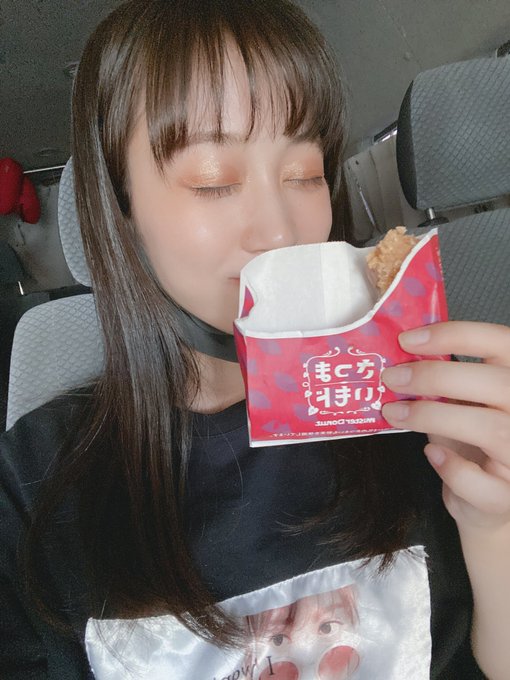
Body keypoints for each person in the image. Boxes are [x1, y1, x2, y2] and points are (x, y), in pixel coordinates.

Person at [0, 1, 509, 678]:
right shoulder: (30, 490)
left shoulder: (426, 411)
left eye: (305, 174)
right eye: (213, 181)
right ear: (120, 210)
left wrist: (495, 528)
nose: (279, 231)